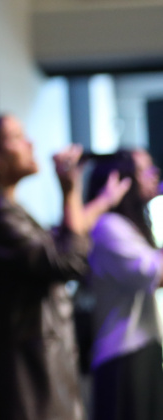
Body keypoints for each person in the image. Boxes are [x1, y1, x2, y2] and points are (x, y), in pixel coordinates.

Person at [0, 116, 130, 420]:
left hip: (32, 367)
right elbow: (67, 261)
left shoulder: (4, 208)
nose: (31, 143)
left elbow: (60, 242)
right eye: (16, 137)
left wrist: (101, 202)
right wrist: (70, 191)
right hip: (25, 375)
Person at [85, 148, 163, 420]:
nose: (154, 175)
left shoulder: (130, 226)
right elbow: (154, 274)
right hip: (123, 352)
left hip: (141, 345)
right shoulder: (108, 226)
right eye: (143, 170)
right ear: (119, 179)